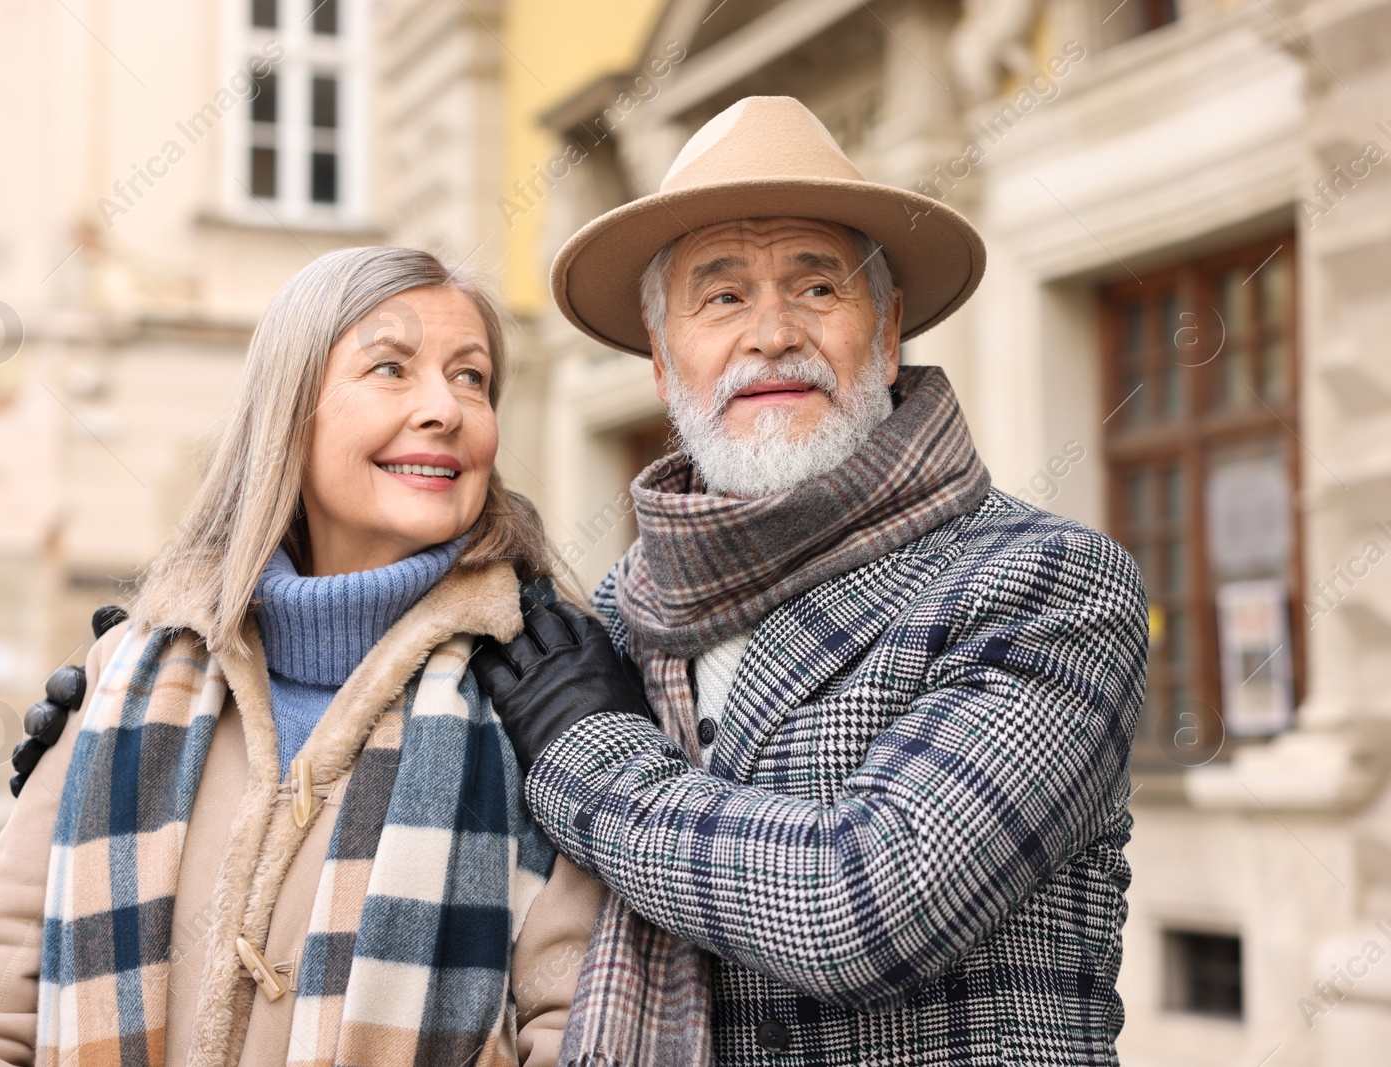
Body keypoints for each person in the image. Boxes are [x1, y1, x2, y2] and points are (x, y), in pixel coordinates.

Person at [473, 96, 1149, 1065]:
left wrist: (589, 755)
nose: (771, 333)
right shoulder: (615, 616)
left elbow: (861, 902)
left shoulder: (1048, 582)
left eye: (818, 288)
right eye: (721, 296)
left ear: (886, 332)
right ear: (664, 361)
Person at [0, 247, 604, 1067]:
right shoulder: (124, 674)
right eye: (390, 368)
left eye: (472, 377)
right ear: (289, 410)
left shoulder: (545, 685)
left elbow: (577, 1020)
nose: (445, 409)